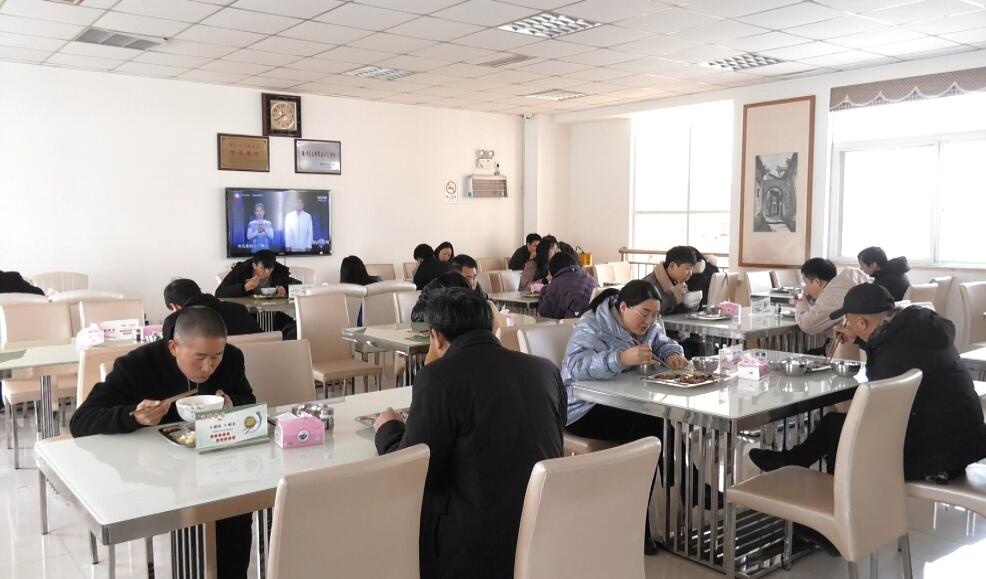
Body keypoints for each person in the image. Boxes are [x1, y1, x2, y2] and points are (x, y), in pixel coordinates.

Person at [373, 288, 565, 579]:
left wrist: (388, 428)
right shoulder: (545, 370)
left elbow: (411, 471)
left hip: (474, 548)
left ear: (436, 337)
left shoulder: (438, 378)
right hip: (543, 532)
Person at [70, 307, 256, 579]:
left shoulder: (232, 358)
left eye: (216, 357)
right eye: (200, 358)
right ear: (173, 347)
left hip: (217, 464)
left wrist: (232, 404)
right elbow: (81, 421)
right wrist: (133, 416)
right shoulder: (137, 365)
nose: (208, 368)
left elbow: (247, 400)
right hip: (156, 473)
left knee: (236, 509)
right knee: (187, 515)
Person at [750, 283, 986, 481]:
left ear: (862, 323)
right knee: (836, 426)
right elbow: (891, 348)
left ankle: (836, 505)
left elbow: (878, 410)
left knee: (840, 431)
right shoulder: (919, 328)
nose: (847, 326)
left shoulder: (892, 355)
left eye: (850, 322)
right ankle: (795, 464)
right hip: (964, 445)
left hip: (933, 456)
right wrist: (860, 339)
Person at [562, 280, 690, 553]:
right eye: (644, 314)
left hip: (622, 402)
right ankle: (683, 489)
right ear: (623, 307)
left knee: (655, 421)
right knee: (650, 425)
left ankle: (648, 515)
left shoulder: (648, 324)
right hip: (582, 407)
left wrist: (672, 355)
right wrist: (620, 359)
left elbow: (661, 342)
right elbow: (573, 368)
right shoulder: (593, 324)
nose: (649, 321)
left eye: (655, 315)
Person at [794, 258, 869, 344]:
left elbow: (808, 325)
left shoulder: (833, 295)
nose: (805, 287)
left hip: (852, 345)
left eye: (806, 283)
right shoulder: (848, 279)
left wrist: (800, 301)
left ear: (816, 282)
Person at [161, 278, 260, 341]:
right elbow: (260, 337)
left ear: (174, 306)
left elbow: (168, 355)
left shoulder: (174, 321)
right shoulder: (238, 309)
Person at [215, 250, 300, 299]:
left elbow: (299, 285)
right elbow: (219, 293)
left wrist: (285, 289)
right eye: (262, 268)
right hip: (247, 312)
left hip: (272, 312)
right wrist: (245, 287)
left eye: (270, 268)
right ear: (254, 265)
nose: (267, 272)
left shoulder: (278, 271)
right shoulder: (240, 271)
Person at [538, 251, 597, 320]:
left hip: (575, 324)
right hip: (597, 321)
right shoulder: (590, 277)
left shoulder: (557, 283)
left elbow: (545, 313)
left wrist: (544, 290)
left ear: (553, 268)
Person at [642, 246, 700, 315]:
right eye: (688, 268)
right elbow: (649, 312)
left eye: (691, 269)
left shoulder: (678, 281)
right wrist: (674, 296)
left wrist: (691, 302)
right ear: (672, 266)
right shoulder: (649, 284)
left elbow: (686, 312)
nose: (691, 273)